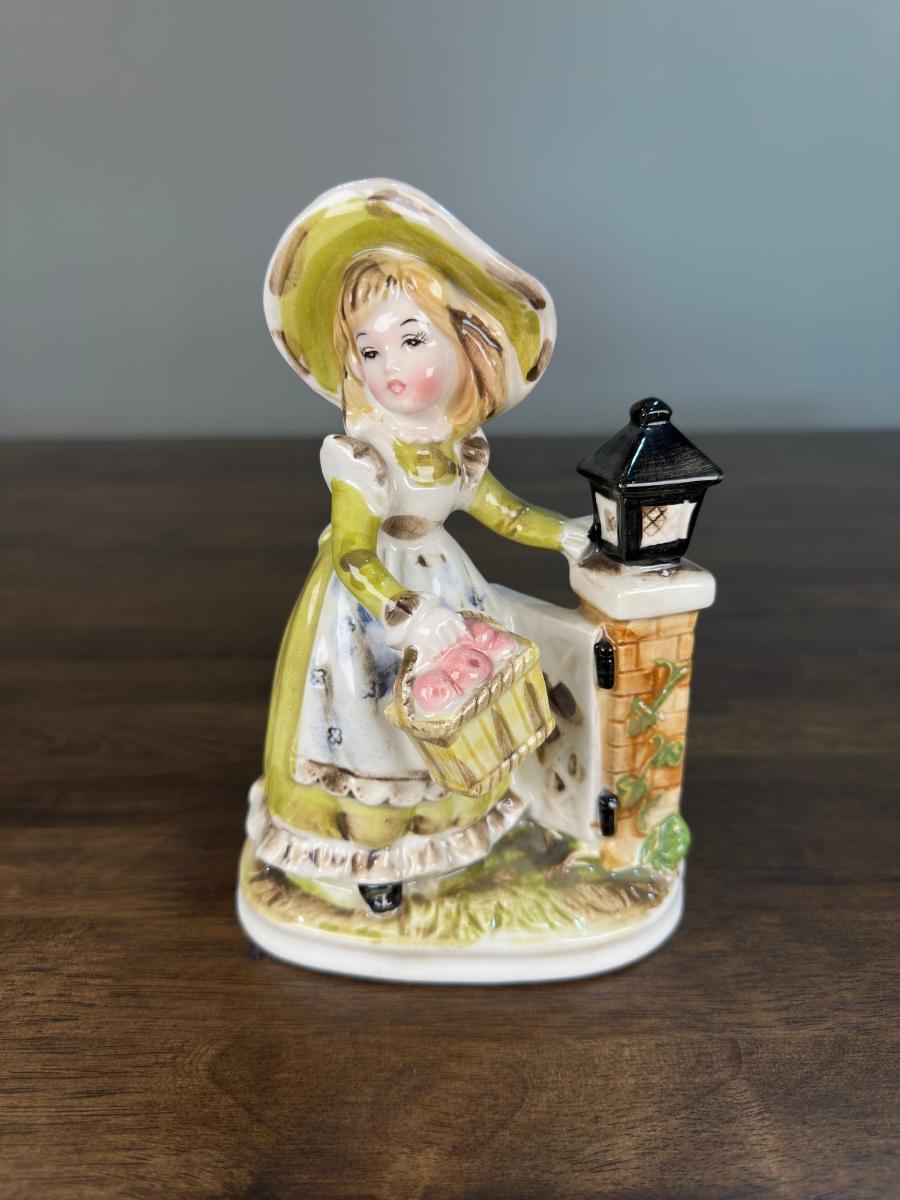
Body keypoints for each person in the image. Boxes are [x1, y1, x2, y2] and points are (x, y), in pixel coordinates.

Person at [248, 180, 590, 912]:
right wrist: (410, 615)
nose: (392, 366)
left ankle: (446, 837)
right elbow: (352, 554)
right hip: (375, 608)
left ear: (464, 342)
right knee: (371, 725)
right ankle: (374, 858)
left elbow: (500, 512)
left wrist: (563, 533)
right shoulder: (362, 456)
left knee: (464, 715)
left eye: (411, 339)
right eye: (370, 349)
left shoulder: (454, 444)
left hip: (444, 581)